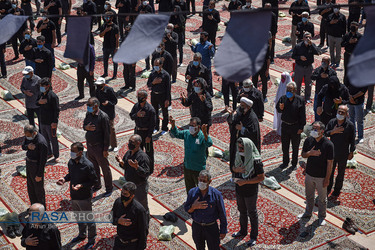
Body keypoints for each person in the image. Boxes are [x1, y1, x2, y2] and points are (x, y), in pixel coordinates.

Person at [56, 142, 98, 250]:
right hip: (74, 195)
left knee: (88, 219)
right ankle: (82, 234)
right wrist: (65, 179)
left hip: (84, 197)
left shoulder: (88, 165)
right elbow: (71, 175)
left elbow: (95, 181)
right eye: (71, 150)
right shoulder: (71, 162)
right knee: (79, 217)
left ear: (80, 153)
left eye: (73, 151)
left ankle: (91, 240)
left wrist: (82, 186)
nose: (71, 153)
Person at [231, 137, 264, 248]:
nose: (240, 149)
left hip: (250, 190)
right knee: (241, 211)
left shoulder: (256, 160)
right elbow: (232, 167)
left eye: (242, 147)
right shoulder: (238, 155)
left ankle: (253, 236)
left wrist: (246, 182)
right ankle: (243, 231)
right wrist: (236, 170)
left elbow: (261, 177)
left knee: (252, 213)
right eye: (239, 147)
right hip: (239, 188)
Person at [300, 121, 334, 226]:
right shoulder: (309, 140)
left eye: (316, 129)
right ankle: (307, 213)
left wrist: (327, 179)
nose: (313, 130)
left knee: (322, 199)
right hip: (309, 174)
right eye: (313, 128)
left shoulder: (328, 145)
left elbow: (330, 163)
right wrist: (310, 153)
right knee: (309, 196)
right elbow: (303, 155)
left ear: (322, 131)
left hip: (321, 177)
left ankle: (321, 217)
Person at [184, 170, 227, 250]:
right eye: (200, 180)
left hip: (211, 228)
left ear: (209, 182)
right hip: (197, 227)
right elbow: (187, 210)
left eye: (204, 181)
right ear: (197, 179)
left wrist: (223, 230)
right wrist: (193, 207)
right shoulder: (192, 193)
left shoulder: (216, 195)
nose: (201, 182)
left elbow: (222, 213)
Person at [170, 116, 212, 193]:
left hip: (198, 168)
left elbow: (209, 143)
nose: (191, 127)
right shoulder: (187, 133)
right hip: (188, 167)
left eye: (193, 125)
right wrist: (173, 125)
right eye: (190, 125)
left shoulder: (202, 136)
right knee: (190, 189)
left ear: (198, 127)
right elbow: (176, 133)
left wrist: (205, 133)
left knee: (201, 189)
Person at [83, 97, 113, 196]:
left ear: (96, 106)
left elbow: (107, 134)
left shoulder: (103, 117)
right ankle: (97, 184)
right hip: (90, 146)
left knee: (105, 168)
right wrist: (85, 127)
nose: (88, 107)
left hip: (99, 147)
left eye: (89, 105)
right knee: (93, 167)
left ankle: (109, 188)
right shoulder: (88, 114)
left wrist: (105, 149)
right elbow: (84, 124)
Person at [325, 105, 355, 199]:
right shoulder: (332, 122)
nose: (340, 114)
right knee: (330, 171)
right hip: (332, 153)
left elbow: (352, 140)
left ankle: (337, 191)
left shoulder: (350, 125)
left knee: (340, 173)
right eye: (339, 111)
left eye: (343, 112)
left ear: (346, 114)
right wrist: (333, 132)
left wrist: (351, 152)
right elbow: (325, 133)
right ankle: (328, 188)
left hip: (343, 153)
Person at [116, 134, 150, 215]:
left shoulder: (143, 157)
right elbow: (125, 166)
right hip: (129, 185)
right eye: (129, 141)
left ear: (138, 143)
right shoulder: (128, 153)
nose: (129, 143)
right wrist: (121, 162)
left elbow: (146, 173)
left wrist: (137, 167)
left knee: (142, 206)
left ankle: (145, 222)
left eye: (132, 142)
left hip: (139, 187)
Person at [276, 81, 306, 169]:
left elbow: (302, 115)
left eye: (291, 90)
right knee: (285, 146)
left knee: (295, 147)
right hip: (285, 126)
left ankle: (294, 163)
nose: (289, 92)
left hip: (295, 127)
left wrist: (301, 127)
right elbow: (278, 108)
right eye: (287, 90)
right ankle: (285, 162)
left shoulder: (299, 100)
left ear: (295, 91)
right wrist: (280, 108)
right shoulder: (283, 98)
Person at [111, 182, 148, 250]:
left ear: (132, 196)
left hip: (132, 245)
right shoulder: (118, 202)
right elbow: (111, 218)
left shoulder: (139, 210)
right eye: (122, 193)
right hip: (119, 242)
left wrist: (141, 247)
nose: (122, 195)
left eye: (125, 194)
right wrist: (118, 221)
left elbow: (143, 231)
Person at [228, 97, 261, 172]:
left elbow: (253, 133)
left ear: (248, 107)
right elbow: (233, 122)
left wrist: (242, 129)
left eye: (243, 106)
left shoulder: (252, 118)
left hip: (246, 147)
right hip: (237, 143)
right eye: (240, 105)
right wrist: (231, 115)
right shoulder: (240, 114)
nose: (240, 107)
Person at [129, 90, 156, 174]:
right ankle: (138, 167)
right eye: (138, 96)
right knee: (137, 150)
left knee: (148, 152)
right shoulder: (136, 106)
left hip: (146, 133)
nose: (139, 98)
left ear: (145, 98)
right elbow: (131, 116)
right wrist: (136, 115)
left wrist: (149, 136)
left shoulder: (150, 109)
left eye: (141, 97)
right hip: (137, 132)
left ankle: (150, 170)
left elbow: (153, 124)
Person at [22, 125, 48, 207]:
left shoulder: (41, 142)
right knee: (30, 187)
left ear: (34, 133)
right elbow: (23, 146)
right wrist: (28, 147)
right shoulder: (29, 137)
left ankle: (41, 208)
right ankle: (34, 206)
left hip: (36, 166)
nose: (27, 137)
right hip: (29, 163)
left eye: (28, 136)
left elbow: (43, 160)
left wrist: (39, 174)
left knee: (38, 189)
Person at [36, 78, 60, 163]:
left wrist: (55, 122)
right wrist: (40, 102)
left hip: (50, 122)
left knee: (53, 139)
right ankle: (49, 153)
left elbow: (56, 110)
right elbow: (36, 102)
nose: (41, 87)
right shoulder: (41, 94)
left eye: (43, 86)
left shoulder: (52, 96)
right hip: (42, 121)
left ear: (48, 86)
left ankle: (56, 155)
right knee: (45, 140)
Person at [291, 32, 319, 102]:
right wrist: (300, 57)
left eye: (309, 37)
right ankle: (297, 97)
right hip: (299, 67)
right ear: (303, 38)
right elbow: (293, 56)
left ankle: (307, 98)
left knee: (308, 83)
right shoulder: (298, 46)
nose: (308, 39)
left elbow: (317, 52)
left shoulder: (312, 45)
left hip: (308, 67)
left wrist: (311, 45)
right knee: (297, 83)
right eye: (306, 37)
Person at [147, 58, 171, 135]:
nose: (156, 66)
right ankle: (156, 127)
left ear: (161, 65)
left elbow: (168, 88)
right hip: (154, 95)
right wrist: (153, 82)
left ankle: (164, 128)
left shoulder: (166, 75)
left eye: (157, 65)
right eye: (154, 65)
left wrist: (167, 99)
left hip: (163, 95)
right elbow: (148, 84)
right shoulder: (152, 74)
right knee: (155, 112)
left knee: (164, 112)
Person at [94, 77, 118, 152]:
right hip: (101, 112)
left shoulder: (109, 90)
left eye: (100, 85)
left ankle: (114, 145)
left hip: (109, 113)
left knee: (111, 129)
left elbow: (115, 101)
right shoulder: (97, 91)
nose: (98, 86)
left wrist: (108, 103)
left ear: (104, 84)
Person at [311, 56, 337, 121]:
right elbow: (312, 77)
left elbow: (335, 81)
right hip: (318, 93)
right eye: (322, 61)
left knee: (327, 109)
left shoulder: (332, 72)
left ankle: (324, 121)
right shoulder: (318, 69)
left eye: (325, 61)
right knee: (316, 108)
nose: (323, 62)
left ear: (329, 63)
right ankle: (317, 121)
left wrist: (328, 77)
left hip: (328, 94)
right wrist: (320, 76)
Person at [345, 77, 368, 144]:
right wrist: (350, 97)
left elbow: (363, 91)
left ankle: (360, 137)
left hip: (359, 102)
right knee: (351, 119)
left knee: (359, 120)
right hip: (350, 101)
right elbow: (346, 86)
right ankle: (353, 134)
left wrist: (353, 97)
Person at [252, 32, 271, 102]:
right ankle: (254, 95)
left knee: (264, 82)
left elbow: (268, 59)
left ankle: (264, 96)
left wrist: (267, 70)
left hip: (263, 67)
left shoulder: (266, 46)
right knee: (254, 82)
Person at [99, 12, 119, 79]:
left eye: (108, 17)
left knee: (115, 62)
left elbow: (117, 38)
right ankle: (105, 73)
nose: (106, 19)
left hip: (113, 47)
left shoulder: (115, 27)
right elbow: (101, 35)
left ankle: (114, 75)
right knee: (105, 61)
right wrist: (105, 30)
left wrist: (116, 47)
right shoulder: (104, 25)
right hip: (105, 46)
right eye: (105, 18)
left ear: (111, 18)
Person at [121, 24, 136, 90]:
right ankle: (127, 85)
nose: (126, 28)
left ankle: (133, 86)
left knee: (132, 73)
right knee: (125, 72)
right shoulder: (125, 35)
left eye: (127, 27)